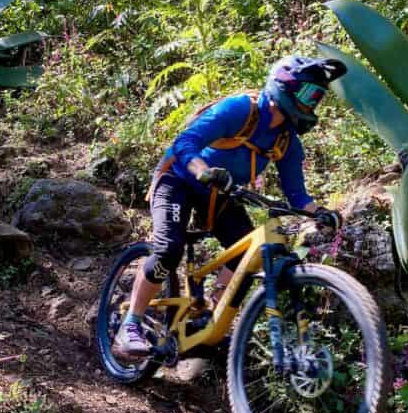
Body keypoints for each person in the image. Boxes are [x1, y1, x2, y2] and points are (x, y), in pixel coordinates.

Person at [112, 55, 347, 362]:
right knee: (169, 249)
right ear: (284, 86)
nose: (312, 104)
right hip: (178, 180)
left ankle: (209, 318)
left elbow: (297, 195)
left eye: (318, 98)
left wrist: (319, 213)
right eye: (309, 94)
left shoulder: (287, 142)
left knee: (245, 256)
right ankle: (131, 324)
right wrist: (202, 170)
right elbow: (184, 143)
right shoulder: (240, 109)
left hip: (220, 194)